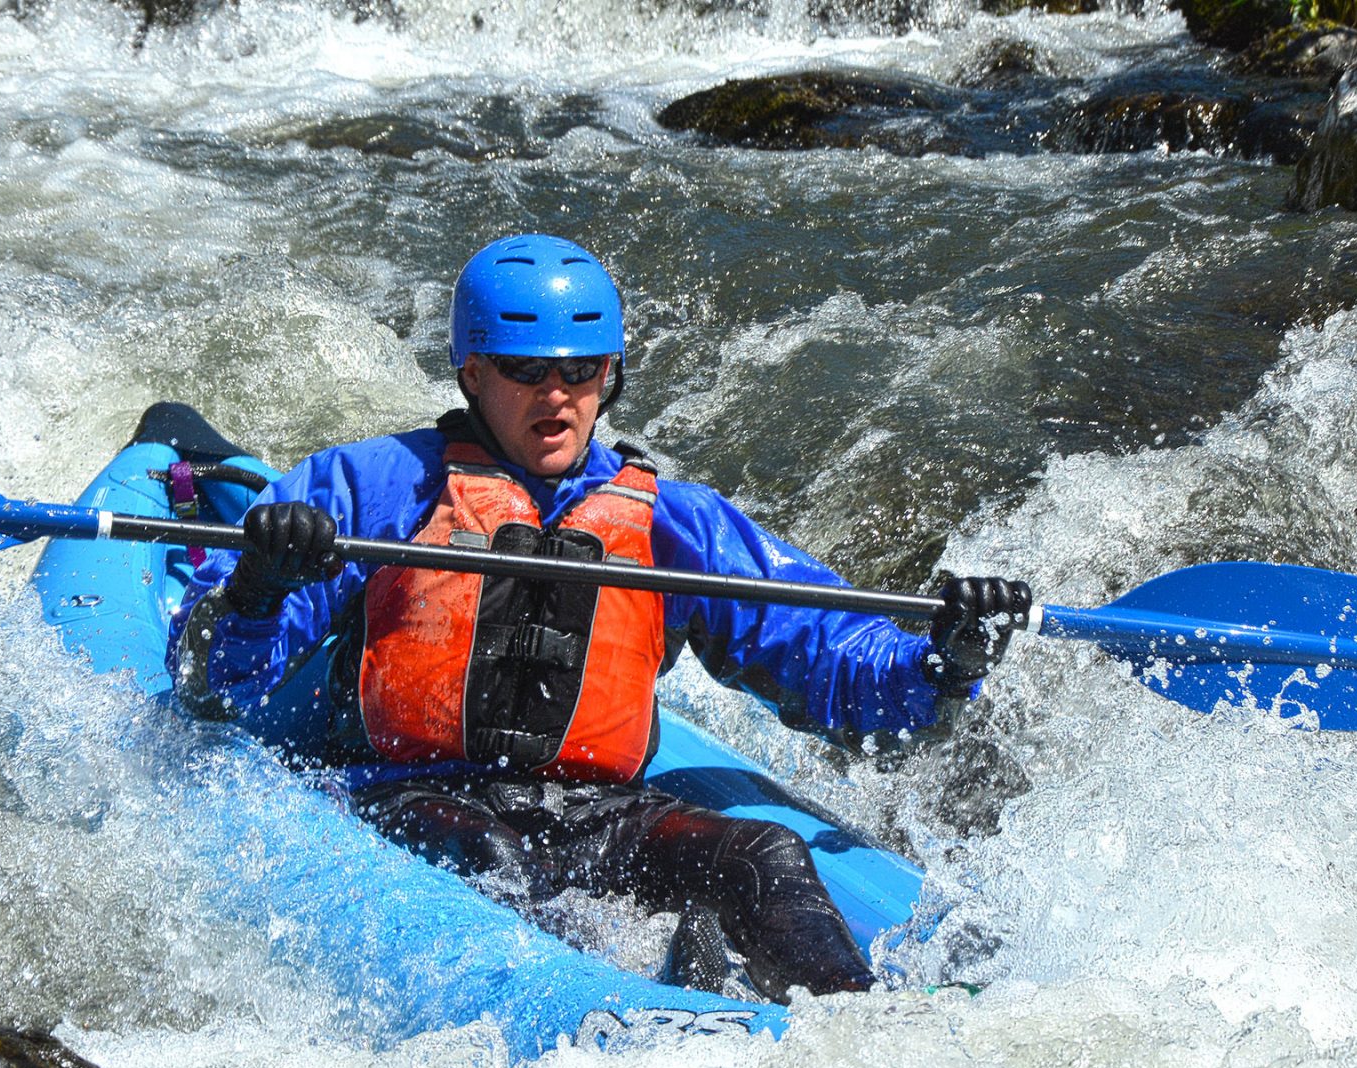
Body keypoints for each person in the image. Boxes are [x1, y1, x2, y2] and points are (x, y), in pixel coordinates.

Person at [168, 233, 1032, 1002]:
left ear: (610, 375)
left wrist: (942, 662)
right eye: (525, 371)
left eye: (579, 371)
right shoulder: (373, 489)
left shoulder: (669, 523)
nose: (557, 396)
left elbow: (831, 658)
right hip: (405, 796)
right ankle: (632, 1001)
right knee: (496, 864)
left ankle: (861, 1030)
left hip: (594, 812)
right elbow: (216, 688)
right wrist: (258, 588)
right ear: (472, 373)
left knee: (764, 854)